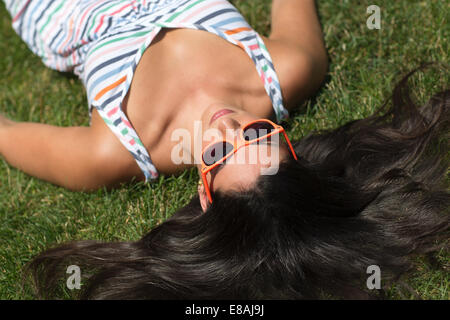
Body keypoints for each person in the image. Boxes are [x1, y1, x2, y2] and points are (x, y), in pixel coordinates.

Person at [1, 1, 448, 299]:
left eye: (218, 155)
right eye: (255, 135)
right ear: (287, 143)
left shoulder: (115, 150)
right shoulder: (288, 69)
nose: (227, 126)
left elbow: (7, 133)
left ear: (203, 194)